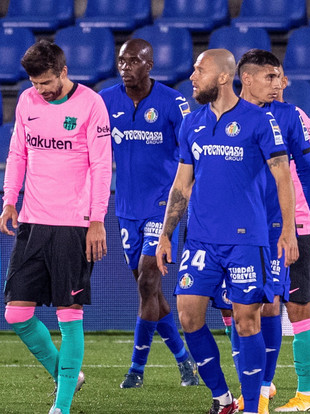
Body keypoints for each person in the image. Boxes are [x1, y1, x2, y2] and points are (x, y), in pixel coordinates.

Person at [155, 49, 298, 414]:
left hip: (246, 241)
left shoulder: (258, 121)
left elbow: (283, 175)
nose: (192, 76)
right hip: (201, 240)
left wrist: (288, 232)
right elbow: (181, 184)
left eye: (199, 70)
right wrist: (166, 233)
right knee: (188, 315)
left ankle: (251, 407)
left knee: (248, 320)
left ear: (222, 77)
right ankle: (222, 399)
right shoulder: (193, 123)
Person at [0, 40, 112, 414]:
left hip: (74, 225)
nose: (41, 90)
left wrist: (97, 220)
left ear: (64, 72)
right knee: (16, 313)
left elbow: (101, 167)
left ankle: (61, 407)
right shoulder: (28, 102)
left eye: (46, 82)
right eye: (35, 83)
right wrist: (10, 199)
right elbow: (18, 153)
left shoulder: (91, 104)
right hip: (32, 220)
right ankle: (66, 374)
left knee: (69, 313)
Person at [99, 38, 199, 389]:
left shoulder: (174, 103)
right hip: (125, 209)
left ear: (150, 64)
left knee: (147, 280)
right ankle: (184, 361)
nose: (126, 68)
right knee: (151, 294)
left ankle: (136, 370)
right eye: (122, 62)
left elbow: (192, 154)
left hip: (162, 205)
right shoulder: (105, 101)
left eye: (133, 62)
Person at [235, 50, 310, 414]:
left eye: (280, 78)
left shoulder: (294, 118)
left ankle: (305, 394)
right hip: (247, 228)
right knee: (252, 306)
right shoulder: (233, 115)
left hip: (294, 226)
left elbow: (306, 172)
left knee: (296, 306)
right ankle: (261, 385)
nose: (277, 84)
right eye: (270, 77)